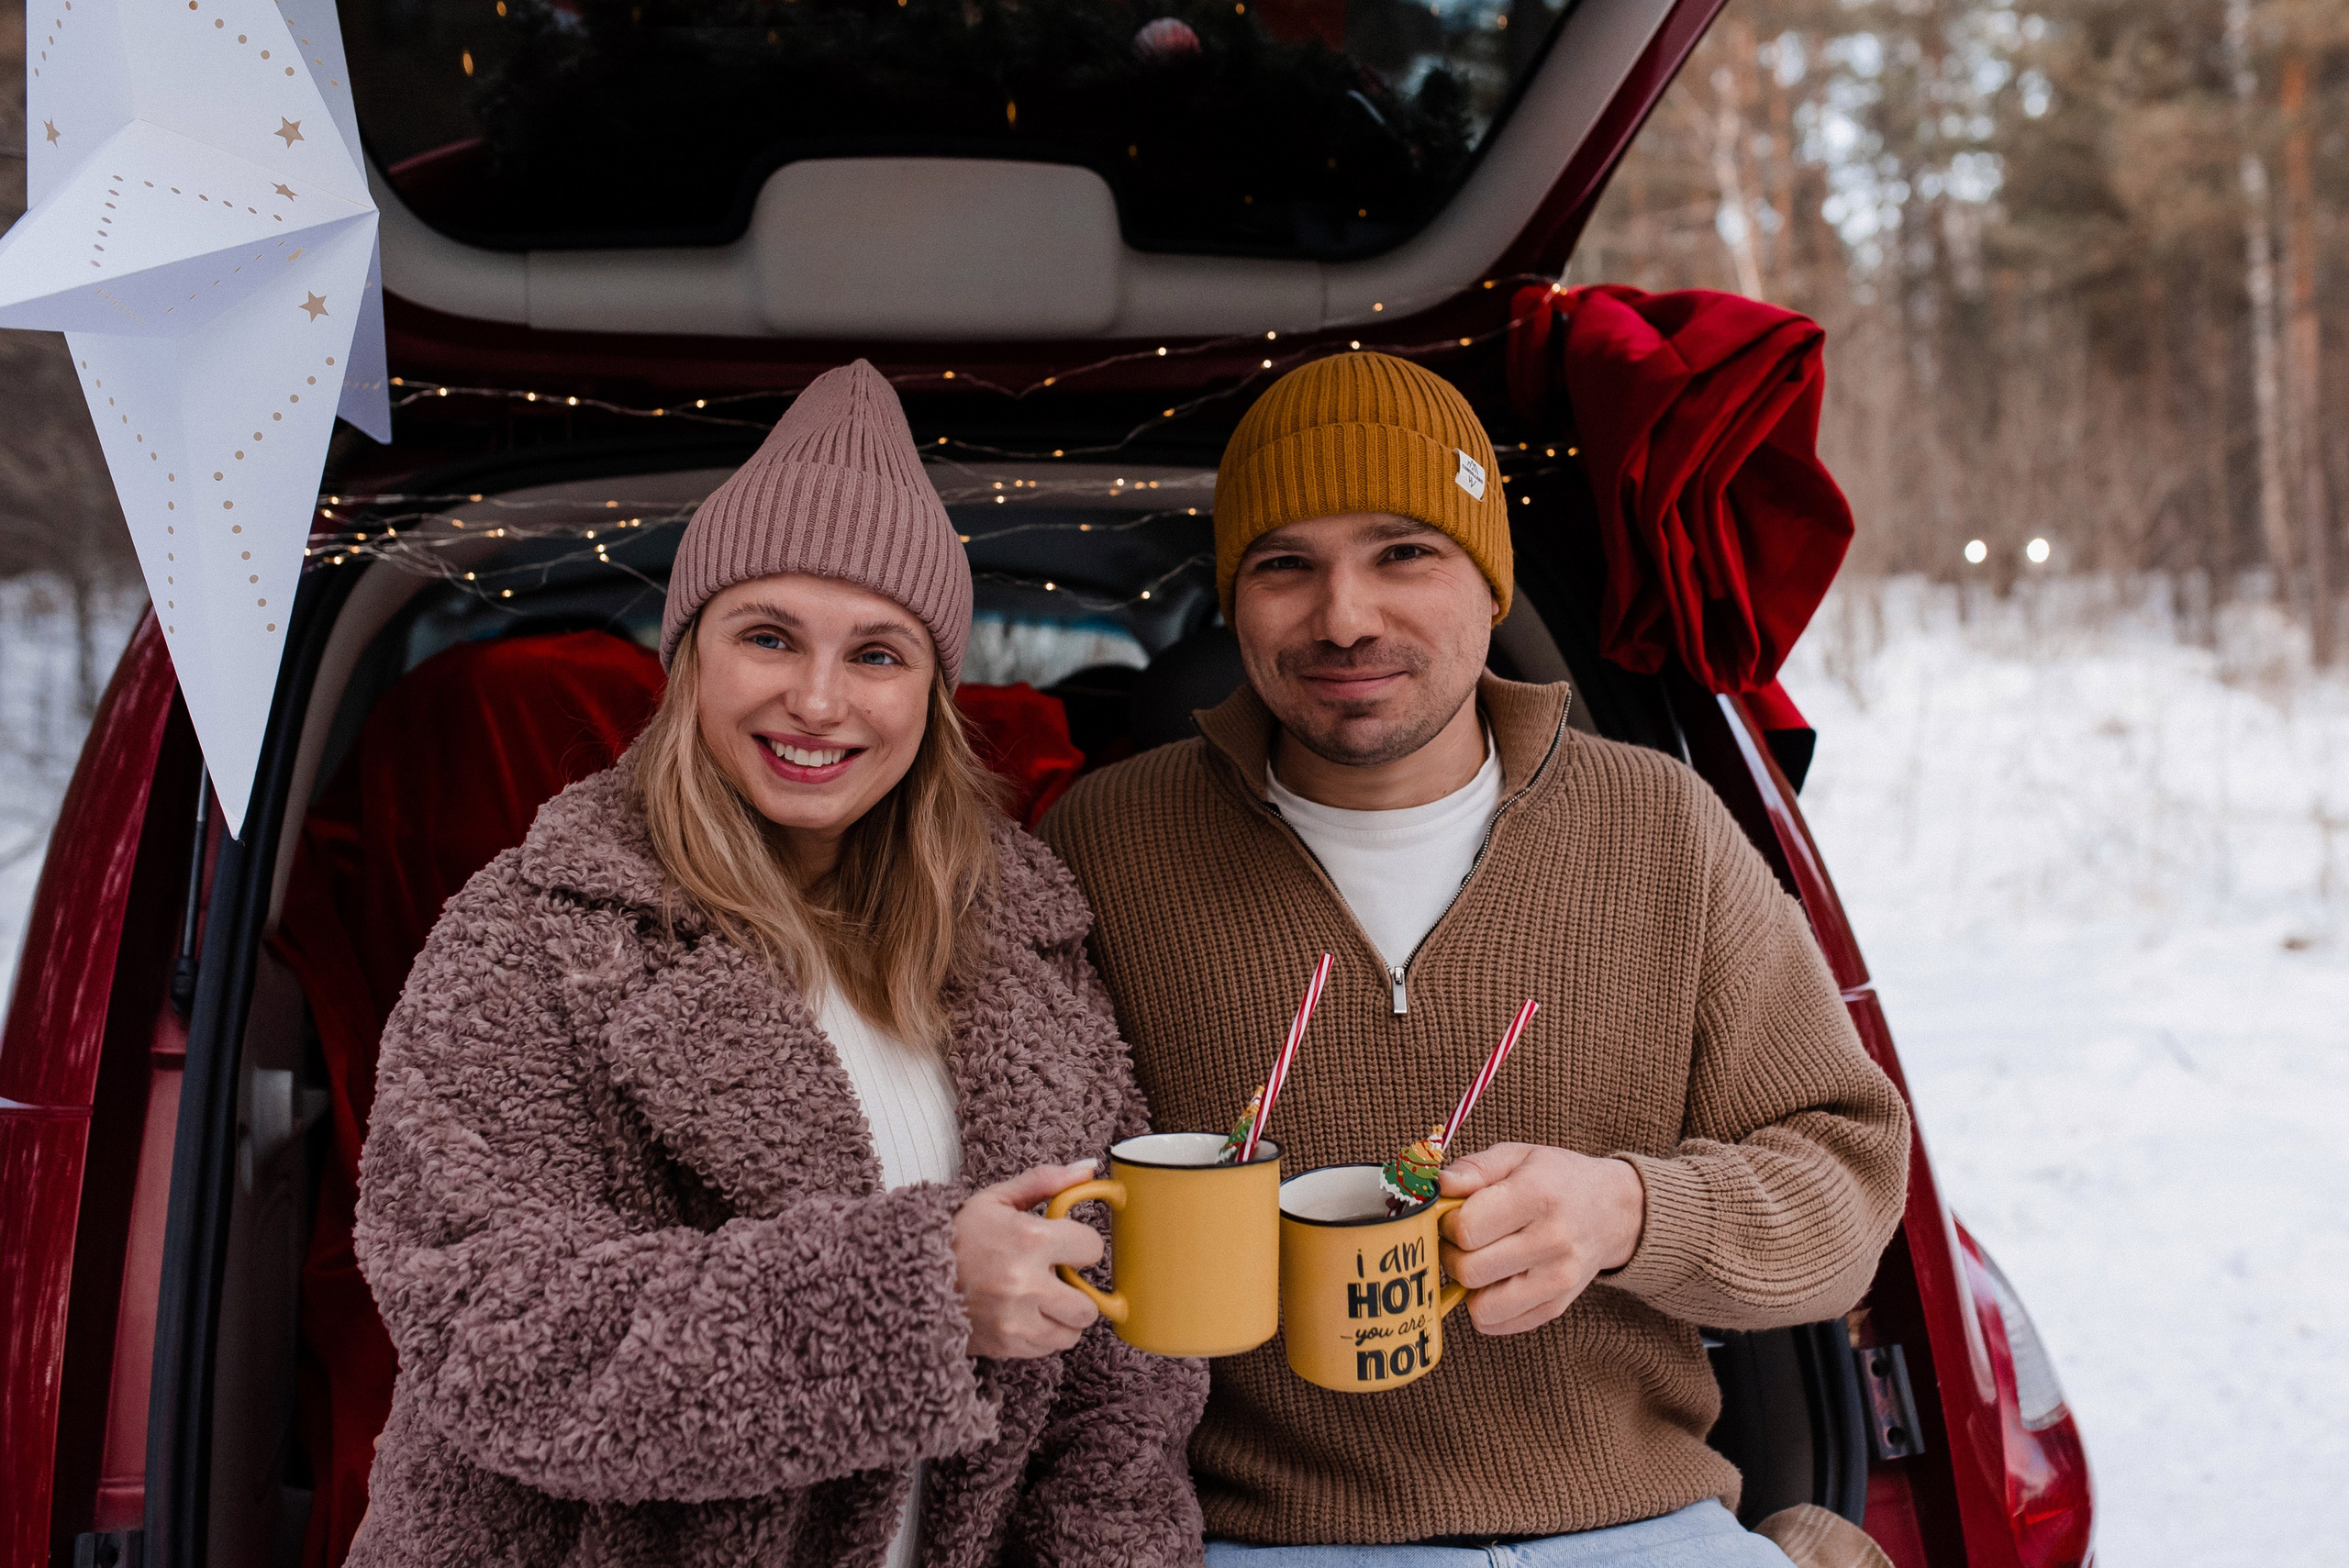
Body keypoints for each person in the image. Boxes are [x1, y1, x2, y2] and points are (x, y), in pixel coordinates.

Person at [1041, 352, 1912, 1564]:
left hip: (1638, 1527)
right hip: (1263, 1543)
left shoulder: (1659, 822)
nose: (1344, 615)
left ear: (1491, 579)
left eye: (1404, 551)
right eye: (1285, 563)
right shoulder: (1106, 842)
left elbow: (1849, 1188)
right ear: (1233, 599)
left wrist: (1629, 1209)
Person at [351, 361, 1206, 1568]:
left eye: (877, 653)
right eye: (768, 636)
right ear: (690, 656)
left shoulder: (1025, 945)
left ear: (934, 694)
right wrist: (915, 1302)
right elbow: (493, 1334)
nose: (816, 699)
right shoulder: (532, 934)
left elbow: (1122, 1387)